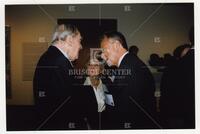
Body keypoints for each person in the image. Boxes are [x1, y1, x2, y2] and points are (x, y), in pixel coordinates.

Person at [100, 31, 157, 129]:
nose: (102, 55)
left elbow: (126, 108)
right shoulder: (129, 62)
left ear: (117, 45)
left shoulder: (128, 66)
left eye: (104, 49)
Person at [33, 24, 83, 129]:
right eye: (79, 41)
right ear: (70, 40)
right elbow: (68, 103)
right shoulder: (60, 62)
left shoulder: (49, 56)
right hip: (60, 125)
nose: (81, 46)